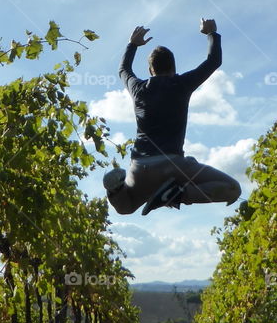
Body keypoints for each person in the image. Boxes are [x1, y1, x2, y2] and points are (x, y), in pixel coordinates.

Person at [103, 17, 242, 216]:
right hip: (174, 165)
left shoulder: (138, 89)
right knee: (232, 189)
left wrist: (132, 44)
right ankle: (177, 194)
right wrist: (211, 32)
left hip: (140, 168)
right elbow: (214, 61)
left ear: (151, 70)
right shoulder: (181, 84)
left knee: (126, 208)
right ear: (174, 68)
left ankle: (116, 190)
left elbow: (123, 70)